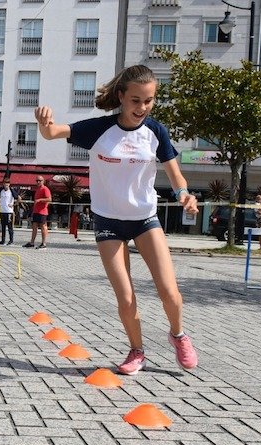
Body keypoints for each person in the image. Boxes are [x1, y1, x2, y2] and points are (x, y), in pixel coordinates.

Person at [34, 64, 199, 376]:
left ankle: (178, 335)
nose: (142, 108)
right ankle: (137, 351)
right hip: (108, 222)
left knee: (169, 291)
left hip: (145, 219)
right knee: (125, 296)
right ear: (122, 96)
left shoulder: (156, 132)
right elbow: (53, 132)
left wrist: (184, 194)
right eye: (136, 100)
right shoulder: (99, 130)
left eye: (148, 101)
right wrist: (44, 123)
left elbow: (176, 175)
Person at [24, 176, 51, 249]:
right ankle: (32, 242)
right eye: (37, 181)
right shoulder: (38, 189)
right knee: (34, 226)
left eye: (40, 180)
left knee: (43, 227)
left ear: (43, 181)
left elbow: (49, 199)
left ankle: (43, 243)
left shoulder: (45, 189)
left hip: (42, 212)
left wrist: (40, 200)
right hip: (36, 211)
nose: (38, 182)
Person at [0, 178, 15, 245]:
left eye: (7, 183)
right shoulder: (1, 191)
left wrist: (13, 204)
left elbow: (19, 198)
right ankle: (3, 240)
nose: (6, 185)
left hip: (9, 211)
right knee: (3, 226)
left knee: (10, 227)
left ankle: (11, 240)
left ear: (9, 184)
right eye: (5, 183)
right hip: (2, 211)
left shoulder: (11, 191)